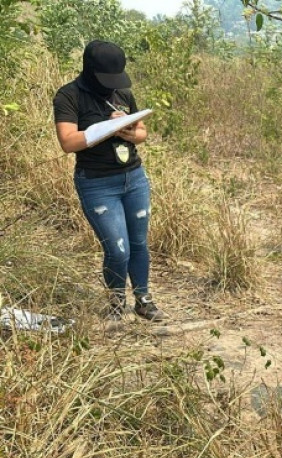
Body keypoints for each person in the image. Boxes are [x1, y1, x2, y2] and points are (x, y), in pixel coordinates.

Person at [53, 41, 164, 322]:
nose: (111, 86)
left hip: (134, 178)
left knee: (138, 242)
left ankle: (143, 298)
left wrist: (130, 132)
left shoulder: (122, 93)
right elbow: (68, 141)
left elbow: (142, 131)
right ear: (89, 71)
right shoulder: (69, 96)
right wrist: (105, 128)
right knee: (117, 248)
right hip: (97, 183)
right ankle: (115, 299)